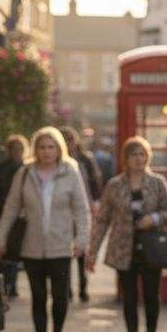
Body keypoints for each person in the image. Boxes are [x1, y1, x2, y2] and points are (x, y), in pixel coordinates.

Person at [0, 126, 90, 332]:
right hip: (32, 248)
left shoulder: (70, 171)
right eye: (42, 147)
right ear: (35, 149)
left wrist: (82, 240)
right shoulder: (25, 173)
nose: (46, 152)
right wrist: (0, 237)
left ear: (59, 149)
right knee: (38, 298)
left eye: (51, 147)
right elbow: (11, 207)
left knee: (60, 298)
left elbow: (81, 209)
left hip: (60, 247)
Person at [86, 136, 167, 332]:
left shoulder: (157, 182)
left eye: (142, 154)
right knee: (129, 299)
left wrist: (153, 218)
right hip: (123, 248)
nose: (138, 159)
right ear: (125, 159)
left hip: (151, 247)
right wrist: (92, 252)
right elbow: (103, 219)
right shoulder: (115, 185)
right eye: (134, 154)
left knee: (151, 296)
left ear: (148, 157)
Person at [61, 127, 102, 303]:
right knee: (64, 251)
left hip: (83, 208)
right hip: (63, 211)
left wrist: (96, 202)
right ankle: (67, 288)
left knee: (82, 248)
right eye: (65, 139)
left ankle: (83, 287)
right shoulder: (56, 161)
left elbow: (95, 180)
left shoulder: (85, 159)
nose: (68, 143)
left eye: (70, 139)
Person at [0, 135, 29, 297]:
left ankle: (11, 285)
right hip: (3, 213)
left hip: (21, 217)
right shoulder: (2, 169)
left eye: (20, 149)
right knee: (5, 251)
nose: (18, 152)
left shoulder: (28, 169)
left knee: (14, 251)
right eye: (14, 149)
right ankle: (6, 284)